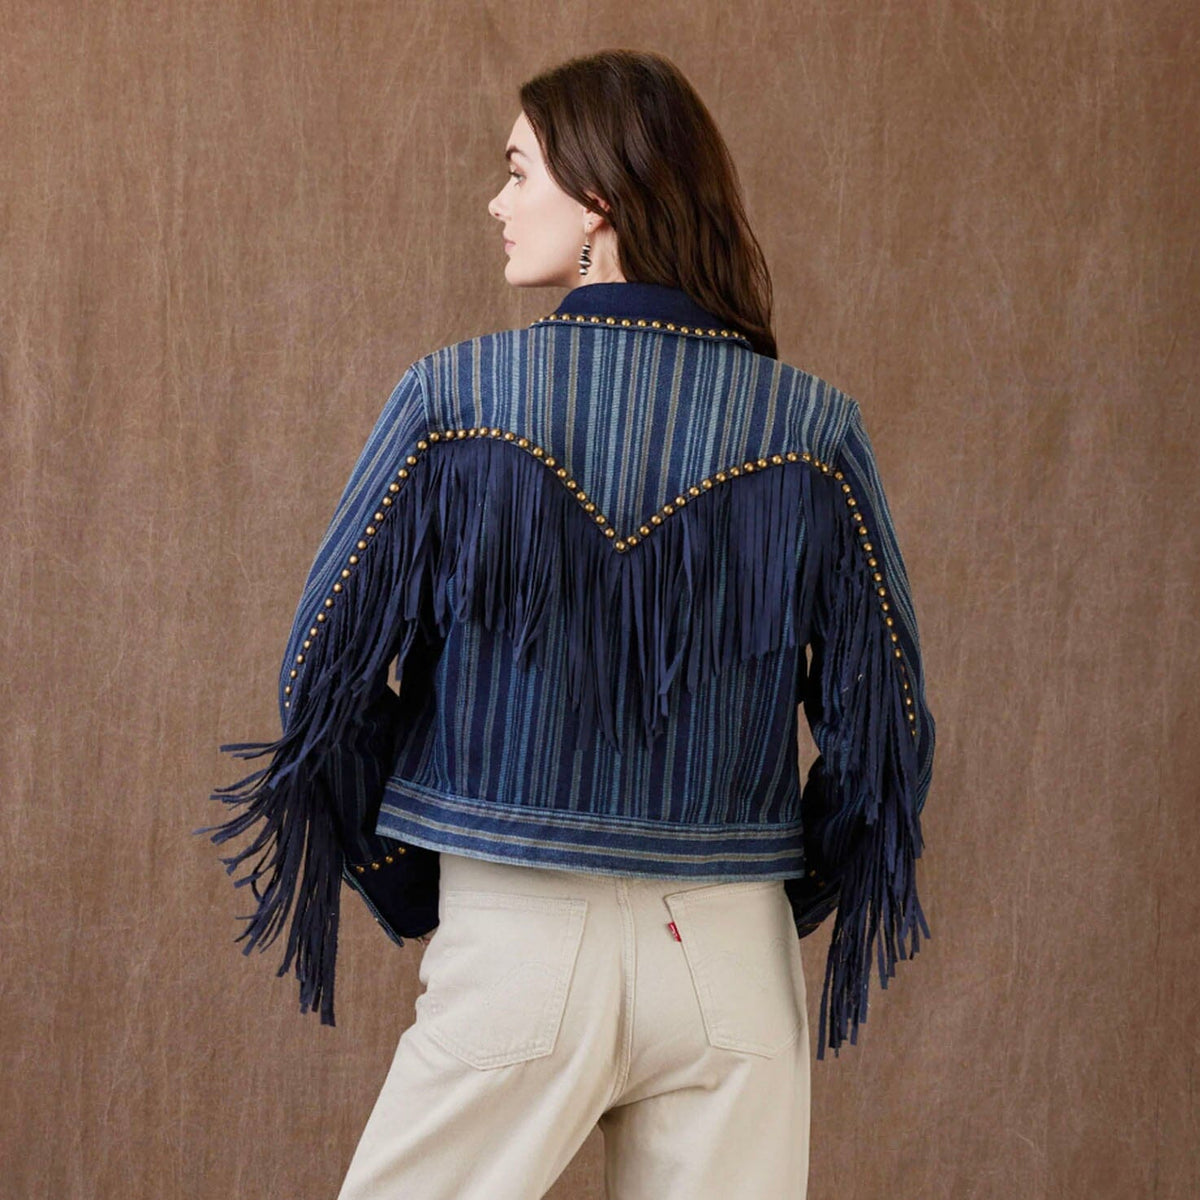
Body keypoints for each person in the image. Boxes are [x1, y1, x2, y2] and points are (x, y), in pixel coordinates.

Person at [196, 48, 936, 1200]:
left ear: (598, 199)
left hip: (521, 934)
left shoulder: (455, 401)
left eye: (517, 172)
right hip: (731, 962)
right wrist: (764, 898)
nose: (496, 203)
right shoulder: (812, 429)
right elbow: (887, 732)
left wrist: (409, 874)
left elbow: (322, 676)